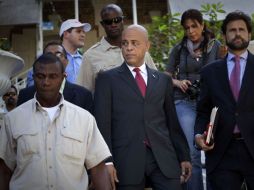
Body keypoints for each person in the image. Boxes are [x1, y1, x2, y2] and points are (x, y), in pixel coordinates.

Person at [94, 24, 191, 190]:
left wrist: (184, 156)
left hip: (163, 159)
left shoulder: (163, 80)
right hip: (126, 161)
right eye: (125, 43)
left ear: (147, 46)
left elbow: (171, 122)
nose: (129, 48)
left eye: (134, 43)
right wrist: (107, 162)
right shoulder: (106, 79)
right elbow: (102, 125)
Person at [0, 53, 112, 190]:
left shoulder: (84, 119)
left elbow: (98, 169)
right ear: (33, 77)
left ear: (63, 78)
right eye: (40, 76)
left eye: (53, 76)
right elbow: (4, 171)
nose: (46, 82)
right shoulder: (13, 119)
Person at [194, 11, 254, 190]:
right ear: (224, 35)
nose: (237, 34)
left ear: (249, 34)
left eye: (242, 30)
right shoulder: (209, 72)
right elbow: (203, 111)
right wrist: (198, 135)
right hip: (221, 152)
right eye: (232, 30)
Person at [166, 9, 222, 190]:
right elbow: (166, 76)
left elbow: (225, 72)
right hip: (184, 101)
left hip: (210, 103)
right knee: (193, 152)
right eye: (187, 28)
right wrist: (177, 82)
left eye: (194, 26)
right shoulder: (179, 49)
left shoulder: (216, 46)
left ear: (202, 25)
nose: (190, 31)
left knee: (216, 149)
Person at [77, 4, 157, 93]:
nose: (113, 24)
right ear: (103, 24)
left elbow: (155, 81)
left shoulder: (139, 49)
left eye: (117, 20)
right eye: (108, 22)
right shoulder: (90, 56)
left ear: (123, 20)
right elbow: (82, 93)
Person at [18, 41, 93, 113]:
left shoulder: (83, 95)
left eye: (59, 55)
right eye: (49, 55)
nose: (54, 58)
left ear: (67, 62)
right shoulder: (25, 95)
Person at [26, 19, 91, 87]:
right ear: (66, 34)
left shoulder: (84, 60)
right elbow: (32, 82)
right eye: (78, 31)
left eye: (84, 32)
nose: (83, 35)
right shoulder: (47, 57)